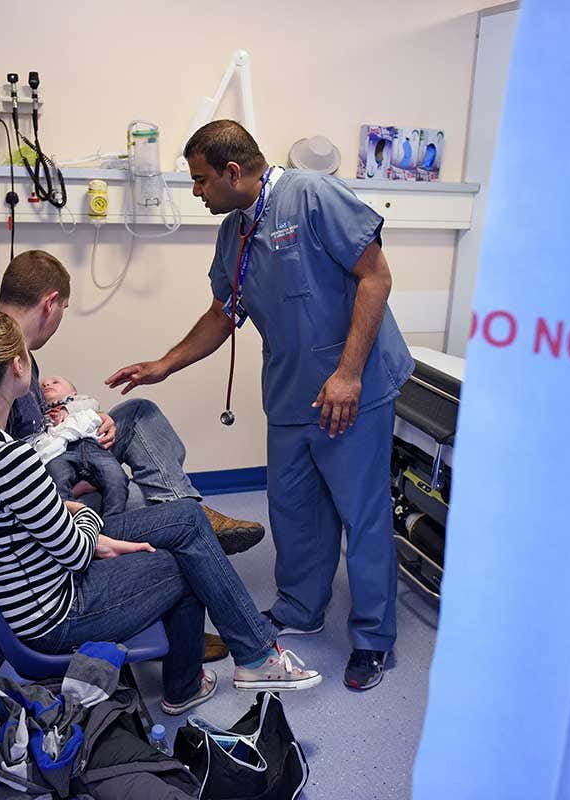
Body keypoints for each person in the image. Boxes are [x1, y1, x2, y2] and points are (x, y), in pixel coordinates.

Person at [106, 120, 414, 691]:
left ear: (232, 172)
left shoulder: (312, 195)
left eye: (200, 180)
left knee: (362, 513)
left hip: (355, 387)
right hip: (293, 390)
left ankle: (373, 638)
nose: (196, 192)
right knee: (294, 507)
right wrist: (164, 364)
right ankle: (300, 608)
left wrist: (348, 375)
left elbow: (376, 277)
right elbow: (225, 312)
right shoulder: (234, 233)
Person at [0, 309, 321, 715]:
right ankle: (194, 682)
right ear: (17, 366)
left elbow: (14, 519)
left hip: (29, 580)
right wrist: (77, 512)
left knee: (187, 519)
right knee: (188, 561)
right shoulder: (8, 458)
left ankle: (255, 655)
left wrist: (53, 507)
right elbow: (78, 552)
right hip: (55, 612)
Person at [0, 250, 264, 558]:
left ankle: (187, 509)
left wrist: (92, 419)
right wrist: (77, 478)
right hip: (53, 493)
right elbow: (11, 471)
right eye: (63, 309)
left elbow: (37, 428)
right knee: (144, 497)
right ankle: (191, 514)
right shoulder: (0, 363)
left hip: (60, 454)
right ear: (50, 304)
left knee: (137, 413)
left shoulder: (20, 353)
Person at [32, 374, 130, 515]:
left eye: (55, 382)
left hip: (91, 445)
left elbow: (93, 404)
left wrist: (67, 410)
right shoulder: (39, 412)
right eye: (42, 386)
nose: (47, 385)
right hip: (59, 452)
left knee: (116, 477)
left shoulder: (79, 401)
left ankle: (114, 521)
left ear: (73, 392)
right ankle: (67, 524)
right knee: (55, 484)